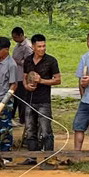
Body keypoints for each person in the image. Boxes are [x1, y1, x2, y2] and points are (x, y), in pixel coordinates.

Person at [21, 34, 60, 165]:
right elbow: (25, 77)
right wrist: (27, 86)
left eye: (44, 46)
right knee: (30, 128)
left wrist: (41, 81)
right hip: (29, 99)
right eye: (39, 46)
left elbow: (58, 80)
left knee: (45, 129)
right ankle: (32, 157)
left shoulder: (51, 61)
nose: (42, 49)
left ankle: (48, 157)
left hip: (44, 100)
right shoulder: (28, 60)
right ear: (33, 47)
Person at [10, 27, 33, 127]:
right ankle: (12, 116)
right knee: (14, 98)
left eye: (15, 37)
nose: (14, 39)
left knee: (21, 99)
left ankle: (22, 119)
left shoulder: (27, 47)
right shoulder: (18, 45)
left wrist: (17, 62)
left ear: (20, 35)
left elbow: (29, 62)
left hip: (21, 76)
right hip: (16, 75)